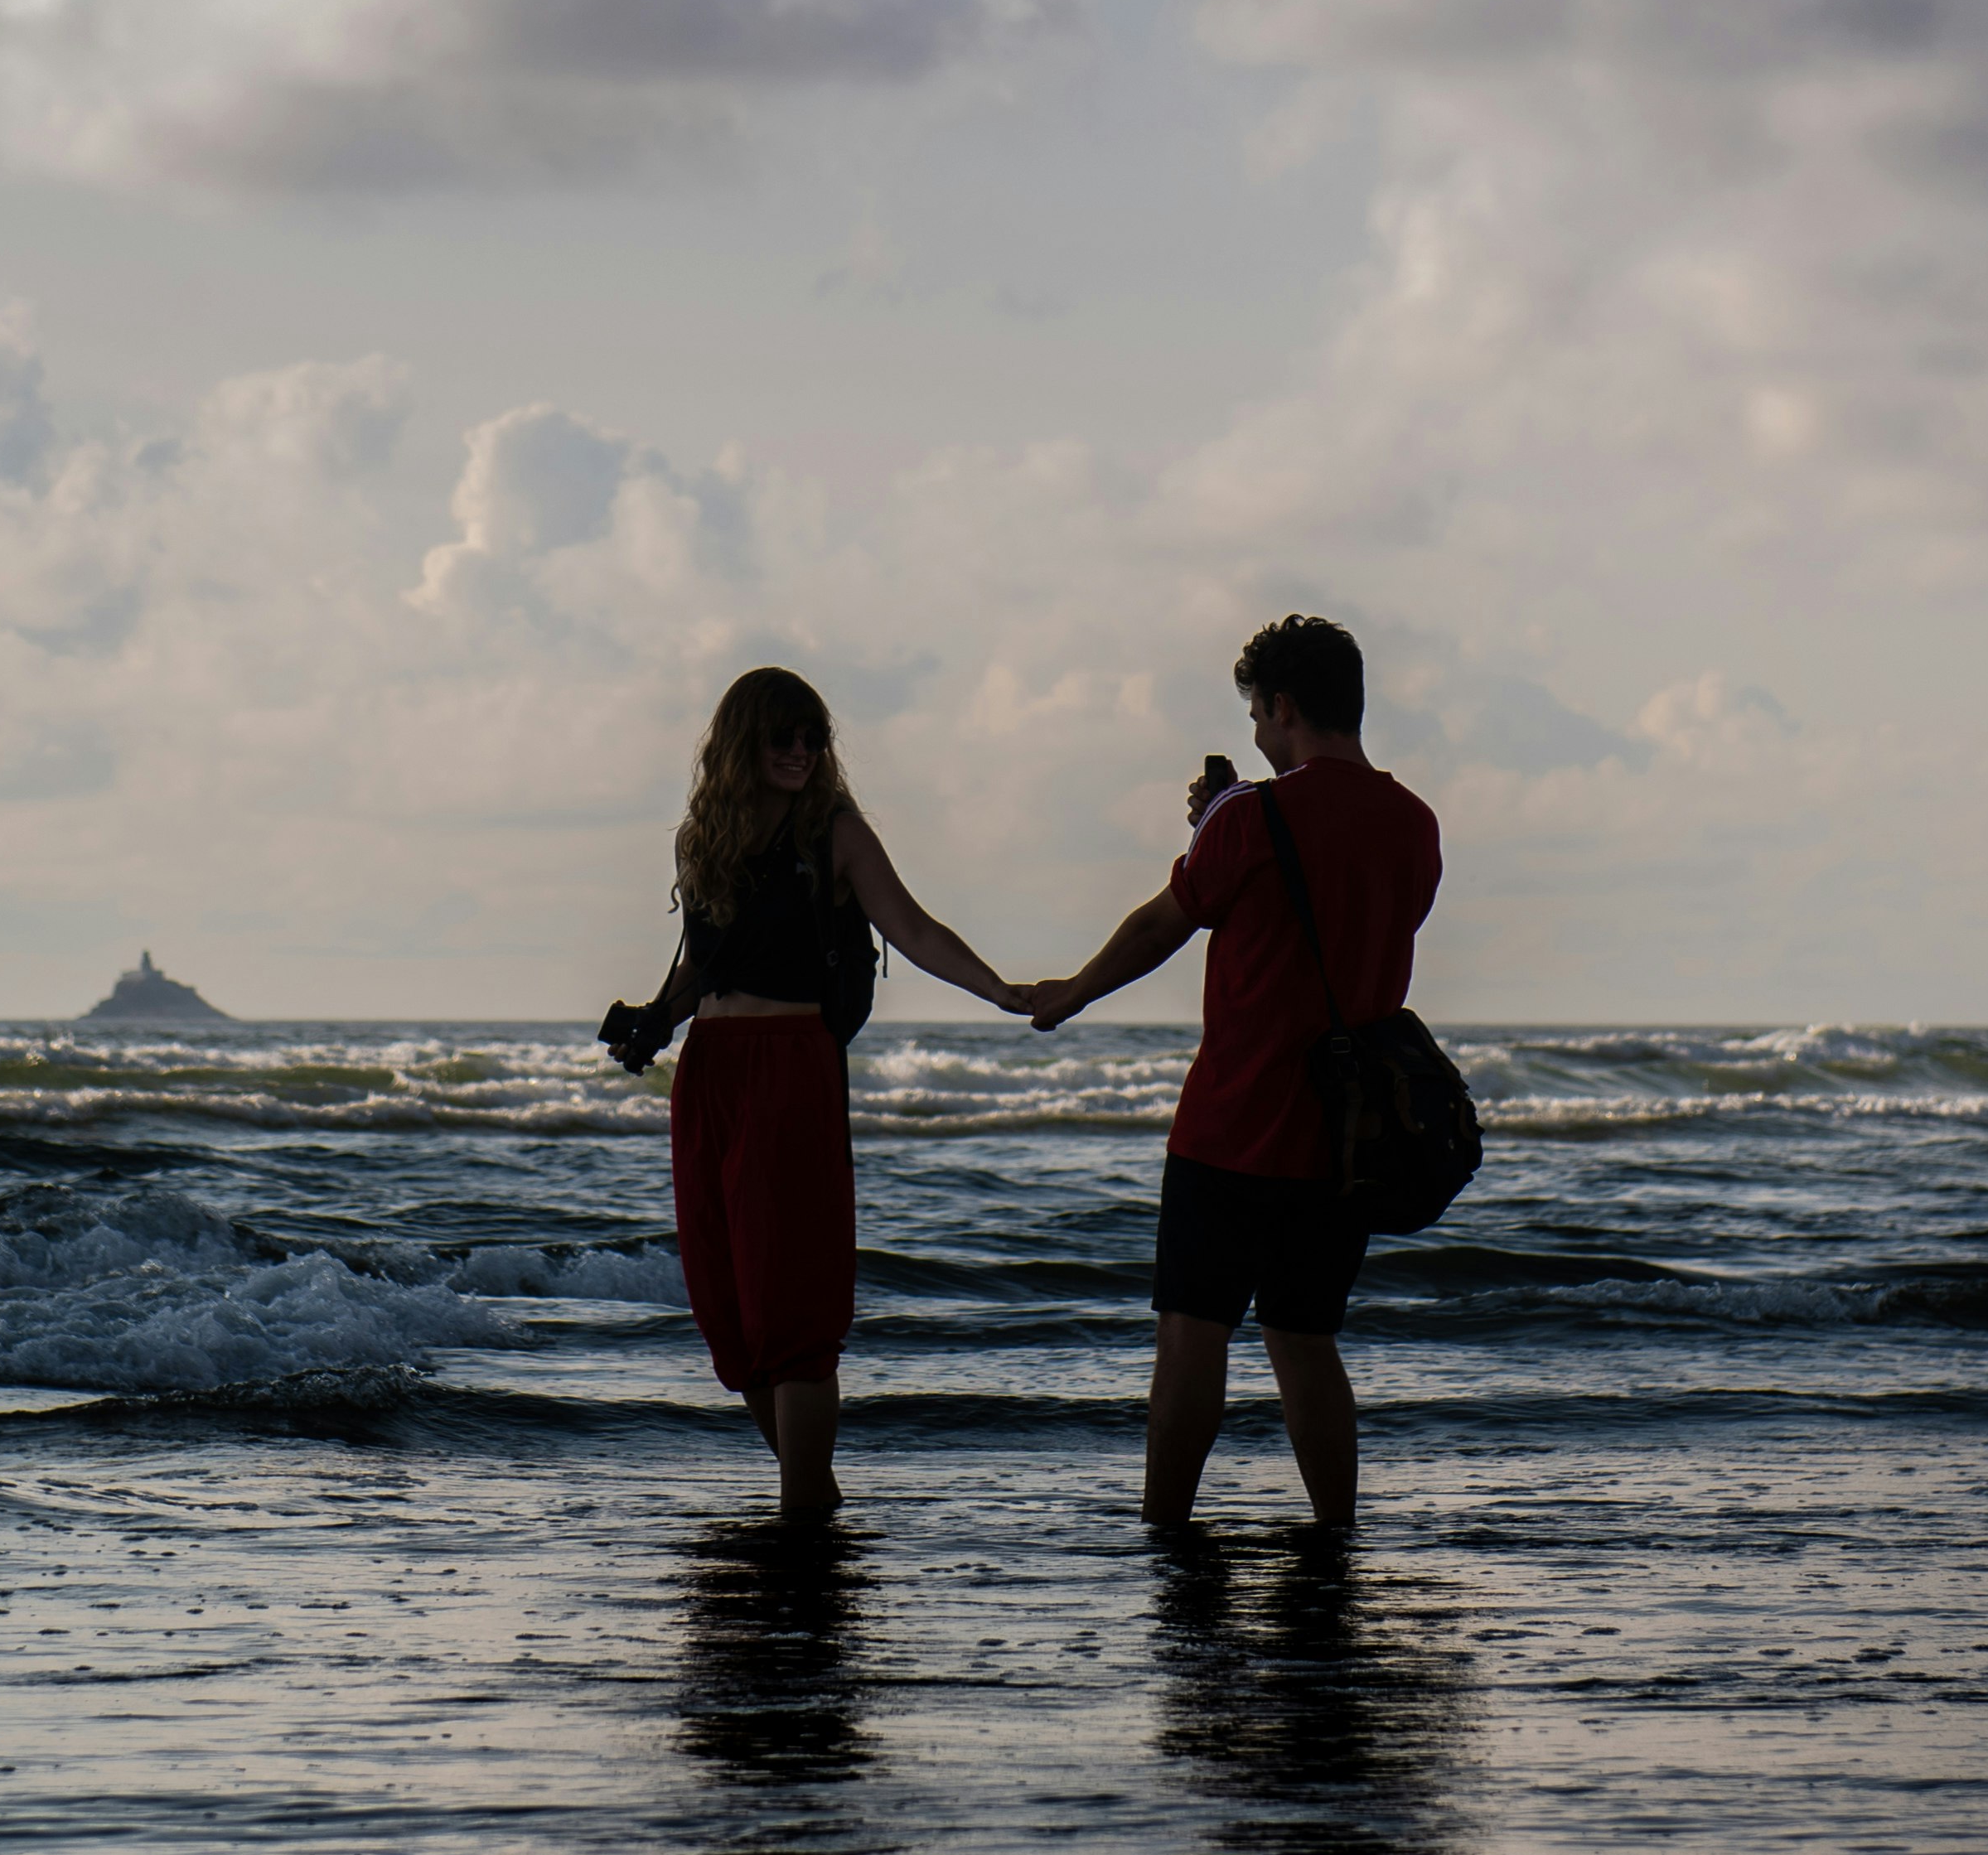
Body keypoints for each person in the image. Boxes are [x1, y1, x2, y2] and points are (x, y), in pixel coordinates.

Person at [1009, 616, 1441, 1528]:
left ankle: (1166, 1535)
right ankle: (1335, 1537)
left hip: (1232, 1125)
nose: (1253, 732)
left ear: (1284, 707)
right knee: (1306, 1339)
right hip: (1342, 1140)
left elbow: (1159, 924)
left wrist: (1072, 992)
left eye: (1256, 712)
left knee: (1191, 1337)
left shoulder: (1250, 816)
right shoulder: (1414, 824)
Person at [605, 667, 1016, 1518]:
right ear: (741, 741)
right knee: (728, 1307)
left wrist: (1006, 992)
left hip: (792, 1066)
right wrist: (656, 1019)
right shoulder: (701, 836)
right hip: (708, 1069)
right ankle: (814, 1503)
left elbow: (913, 928)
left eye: (811, 737)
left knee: (792, 1305)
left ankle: (803, 1518)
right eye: (781, 736)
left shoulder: (835, 832)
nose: (798, 751)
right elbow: (703, 964)